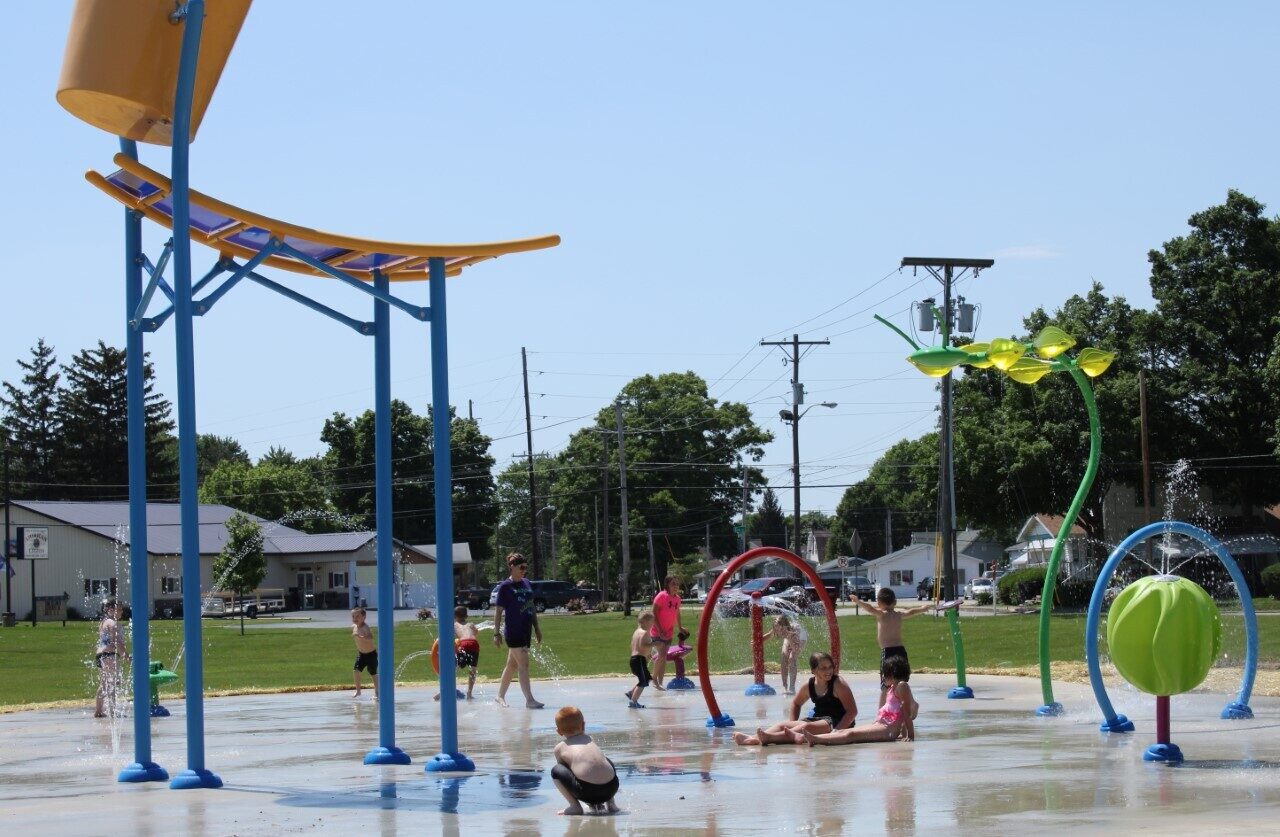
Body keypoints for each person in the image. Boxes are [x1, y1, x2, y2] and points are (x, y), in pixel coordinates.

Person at [732, 651, 856, 745]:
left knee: (804, 728)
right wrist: (792, 723)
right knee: (783, 724)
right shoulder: (809, 686)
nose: (828, 670)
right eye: (823, 668)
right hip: (818, 720)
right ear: (813, 670)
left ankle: (769, 738)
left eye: (830, 667)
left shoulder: (838, 683)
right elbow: (796, 704)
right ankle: (752, 738)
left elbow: (852, 712)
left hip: (837, 721)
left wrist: (838, 730)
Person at [803, 655, 917, 745]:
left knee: (852, 734)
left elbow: (905, 712)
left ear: (893, 673)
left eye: (885, 674)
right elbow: (899, 712)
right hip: (881, 725)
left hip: (888, 730)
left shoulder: (902, 686)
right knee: (845, 731)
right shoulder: (892, 688)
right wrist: (903, 733)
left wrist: (910, 736)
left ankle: (818, 739)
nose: (883, 677)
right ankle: (814, 738)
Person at [849, 588, 931, 707]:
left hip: (887, 652)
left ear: (879, 603)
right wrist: (922, 609)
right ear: (895, 602)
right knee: (902, 681)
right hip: (900, 651)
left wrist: (858, 601)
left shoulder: (881, 614)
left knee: (885, 684)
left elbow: (869, 608)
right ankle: (912, 702)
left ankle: (880, 713)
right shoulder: (899, 615)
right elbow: (911, 611)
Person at [494, 552, 544, 708]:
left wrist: (537, 628)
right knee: (524, 664)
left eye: (525, 568)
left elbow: (531, 606)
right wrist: (496, 633)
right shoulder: (505, 587)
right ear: (512, 567)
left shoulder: (526, 583)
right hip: (513, 630)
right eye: (521, 567)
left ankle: (499, 696)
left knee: (512, 665)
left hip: (526, 630)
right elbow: (498, 611)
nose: (524, 570)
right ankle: (529, 700)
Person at [551, 706, 620, 815]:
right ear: (583, 725)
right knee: (606, 761)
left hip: (586, 791)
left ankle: (574, 806)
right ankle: (611, 805)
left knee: (556, 770)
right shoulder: (589, 739)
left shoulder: (559, 748)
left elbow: (567, 774)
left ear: (559, 731)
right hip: (611, 788)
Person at [435, 605, 481, 701]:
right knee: (472, 670)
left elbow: (446, 637)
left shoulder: (454, 625)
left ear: (454, 616)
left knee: (454, 669)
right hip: (474, 644)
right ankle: (469, 693)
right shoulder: (470, 624)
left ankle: (443, 691)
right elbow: (476, 632)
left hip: (464, 644)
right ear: (467, 616)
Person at [94, 599, 128, 718]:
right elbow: (117, 642)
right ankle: (113, 712)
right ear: (110, 610)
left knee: (104, 684)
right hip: (109, 655)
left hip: (101, 655)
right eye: (119, 609)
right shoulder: (113, 624)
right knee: (112, 683)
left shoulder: (104, 622)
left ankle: (99, 710)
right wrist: (126, 656)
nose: (121, 611)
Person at [649, 575, 684, 689]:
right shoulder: (661, 596)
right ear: (667, 585)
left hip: (668, 632)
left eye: (677, 584)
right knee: (663, 654)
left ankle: (660, 682)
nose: (676, 586)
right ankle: (654, 679)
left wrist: (680, 627)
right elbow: (653, 613)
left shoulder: (677, 599)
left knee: (663, 658)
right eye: (673, 584)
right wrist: (660, 630)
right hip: (657, 632)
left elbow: (677, 613)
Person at [763, 614, 808, 694]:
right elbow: (769, 635)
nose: (778, 632)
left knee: (792, 658)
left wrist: (790, 638)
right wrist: (757, 640)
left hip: (800, 638)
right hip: (789, 637)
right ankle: (784, 686)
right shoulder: (777, 627)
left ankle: (792, 687)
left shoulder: (794, 631)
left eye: (780, 630)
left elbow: (795, 649)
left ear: (785, 626)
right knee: (784, 657)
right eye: (776, 629)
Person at [626, 612, 656, 708]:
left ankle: (631, 693)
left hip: (635, 659)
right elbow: (644, 645)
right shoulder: (645, 632)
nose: (653, 623)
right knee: (643, 681)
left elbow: (634, 645)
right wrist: (655, 644)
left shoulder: (637, 631)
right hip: (639, 660)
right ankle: (633, 702)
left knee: (647, 678)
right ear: (647, 622)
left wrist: (647, 654)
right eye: (652, 621)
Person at [351, 606, 378, 699]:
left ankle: (377, 692)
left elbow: (370, 637)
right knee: (356, 671)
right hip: (361, 654)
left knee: (373, 673)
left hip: (371, 654)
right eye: (353, 617)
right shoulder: (354, 627)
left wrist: (360, 636)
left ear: (364, 617)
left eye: (357, 616)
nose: (355, 619)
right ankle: (358, 691)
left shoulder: (366, 627)